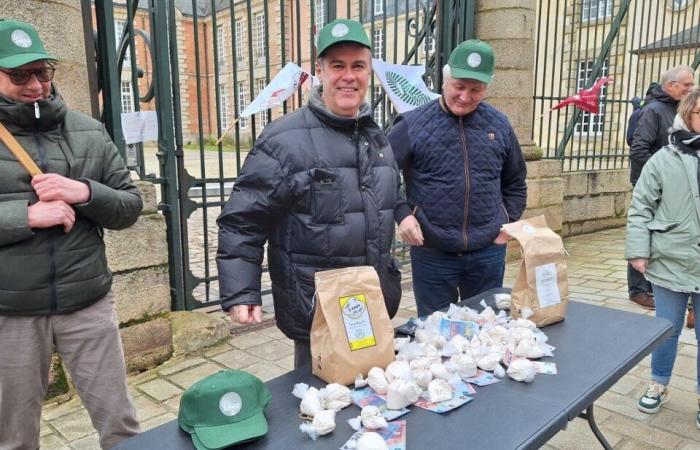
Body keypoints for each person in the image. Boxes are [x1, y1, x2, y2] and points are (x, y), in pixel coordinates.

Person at [216, 18, 407, 368]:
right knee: (318, 409)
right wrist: (241, 291)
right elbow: (243, 221)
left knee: (371, 408)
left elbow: (390, 198)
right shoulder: (283, 140)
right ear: (320, 71)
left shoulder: (377, 137)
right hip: (316, 308)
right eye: (337, 66)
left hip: (371, 303)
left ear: (369, 73)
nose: (348, 76)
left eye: (357, 66)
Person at [0, 20, 142, 449]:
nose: (35, 85)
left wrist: (84, 191)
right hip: (13, 311)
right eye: (19, 75)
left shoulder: (89, 131)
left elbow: (130, 206)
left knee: (120, 424)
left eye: (42, 72)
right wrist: (26, 216)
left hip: (88, 302)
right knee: (15, 434)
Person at [387, 39, 527, 317]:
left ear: (487, 88)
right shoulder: (412, 125)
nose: (465, 97)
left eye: (475, 89)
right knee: (435, 333)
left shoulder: (499, 125)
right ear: (444, 80)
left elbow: (515, 181)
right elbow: (380, 177)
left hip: (488, 251)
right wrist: (403, 214)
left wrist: (508, 219)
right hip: (432, 253)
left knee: (486, 331)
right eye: (459, 86)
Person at [627, 88, 700, 426]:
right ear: (687, 113)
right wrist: (639, 249)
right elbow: (641, 207)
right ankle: (659, 383)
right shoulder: (664, 158)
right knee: (666, 328)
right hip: (670, 258)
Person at [628, 66, 695, 310]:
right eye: (687, 85)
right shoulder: (653, 110)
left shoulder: (677, 108)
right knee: (645, 229)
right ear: (671, 86)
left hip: (676, 187)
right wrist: (660, 176)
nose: (691, 89)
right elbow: (638, 149)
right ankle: (638, 289)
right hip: (652, 184)